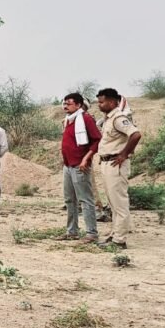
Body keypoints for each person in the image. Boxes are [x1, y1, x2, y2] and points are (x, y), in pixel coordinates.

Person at [96, 88, 142, 248]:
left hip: (116, 164)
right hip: (107, 163)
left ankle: (119, 240)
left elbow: (135, 134)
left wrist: (123, 154)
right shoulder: (108, 119)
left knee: (119, 203)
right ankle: (115, 234)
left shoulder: (119, 118)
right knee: (113, 203)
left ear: (112, 102)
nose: (99, 105)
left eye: (102, 102)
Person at [59, 92, 102, 243]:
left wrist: (86, 158)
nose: (65, 106)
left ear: (78, 105)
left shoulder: (85, 119)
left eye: (69, 103)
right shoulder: (68, 120)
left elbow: (97, 140)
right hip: (68, 164)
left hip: (80, 165)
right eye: (64, 103)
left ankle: (91, 233)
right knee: (70, 199)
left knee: (85, 199)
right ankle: (72, 231)